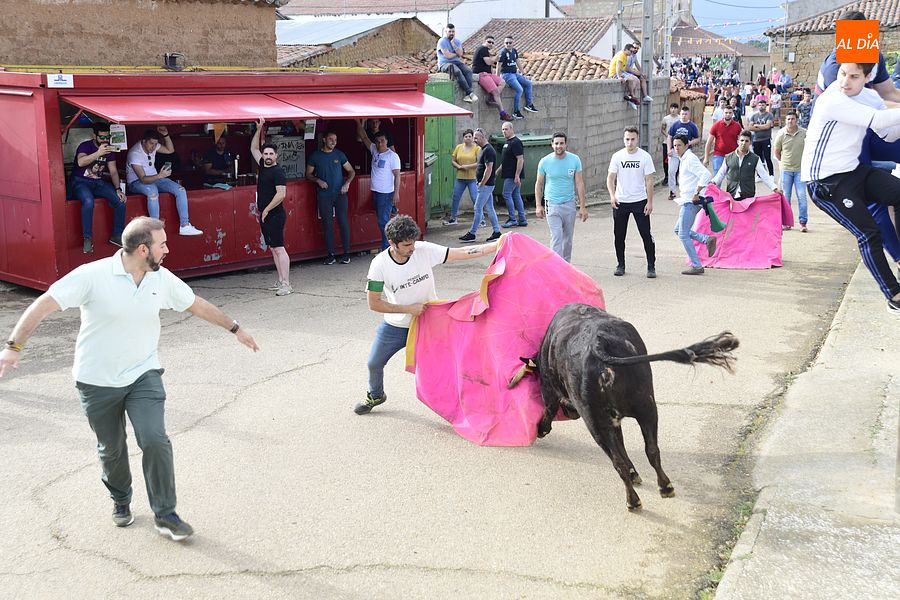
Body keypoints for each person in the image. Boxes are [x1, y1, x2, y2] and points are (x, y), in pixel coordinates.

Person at [0, 217, 259, 540]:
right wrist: (13, 347)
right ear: (142, 250)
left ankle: (165, 513)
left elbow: (196, 305)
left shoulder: (160, 279)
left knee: (154, 438)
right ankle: (121, 498)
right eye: (162, 244)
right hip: (96, 380)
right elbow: (43, 304)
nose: (167, 249)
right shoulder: (93, 276)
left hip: (143, 374)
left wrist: (235, 328)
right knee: (111, 450)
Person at [355, 214, 499, 415]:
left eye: (413, 242)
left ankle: (466, 403)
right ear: (392, 243)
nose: (412, 248)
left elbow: (461, 252)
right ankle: (376, 394)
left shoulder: (423, 250)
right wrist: (408, 309)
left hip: (429, 321)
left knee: (450, 364)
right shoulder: (379, 265)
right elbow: (374, 303)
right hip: (397, 325)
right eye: (407, 245)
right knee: (374, 363)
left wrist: (496, 245)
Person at [801, 61, 900, 314]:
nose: (845, 81)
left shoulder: (869, 97)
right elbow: (877, 119)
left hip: (853, 171)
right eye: (843, 73)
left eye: (854, 76)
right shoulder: (832, 98)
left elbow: (887, 133)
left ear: (868, 77)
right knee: (869, 233)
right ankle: (894, 296)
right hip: (825, 183)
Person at [126, 127, 202, 236]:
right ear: (144, 141)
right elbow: (143, 179)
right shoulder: (135, 154)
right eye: (151, 144)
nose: (153, 147)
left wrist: (166, 135)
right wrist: (160, 175)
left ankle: (185, 225)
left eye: (155, 144)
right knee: (153, 191)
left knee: (180, 189)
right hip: (136, 182)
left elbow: (170, 150)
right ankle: (155, 229)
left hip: (155, 178)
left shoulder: (153, 146)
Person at [607, 126, 656, 278]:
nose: (630, 142)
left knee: (646, 235)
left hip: (639, 201)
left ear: (637, 139)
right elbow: (610, 178)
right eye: (627, 139)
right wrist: (612, 196)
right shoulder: (617, 156)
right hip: (621, 202)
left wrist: (649, 202)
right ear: (623, 139)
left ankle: (651, 266)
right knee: (619, 236)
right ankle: (620, 264)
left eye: (632, 139)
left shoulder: (645, 157)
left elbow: (649, 180)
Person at [70, 123, 127, 253]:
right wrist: (98, 153)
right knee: (88, 201)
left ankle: (117, 235)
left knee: (120, 201)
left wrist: (118, 189)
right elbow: (81, 162)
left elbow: (113, 171)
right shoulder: (85, 146)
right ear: (94, 136)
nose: (105, 140)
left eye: (107, 137)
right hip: (80, 182)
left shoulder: (109, 149)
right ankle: (87, 239)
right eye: (102, 137)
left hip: (98, 183)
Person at [251, 118, 292, 296]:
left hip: (274, 215)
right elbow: (253, 149)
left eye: (270, 154)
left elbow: (281, 194)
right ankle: (281, 280)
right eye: (265, 154)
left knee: (279, 248)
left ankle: (287, 284)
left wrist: (266, 209)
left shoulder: (278, 172)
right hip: (266, 215)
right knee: (273, 248)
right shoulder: (263, 165)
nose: (267, 156)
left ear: (276, 156)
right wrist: (259, 128)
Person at [534, 132, 587, 263]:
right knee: (556, 237)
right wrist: (538, 205)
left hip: (569, 204)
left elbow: (579, 183)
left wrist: (582, 207)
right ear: (552, 144)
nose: (559, 146)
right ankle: (556, 267)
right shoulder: (545, 161)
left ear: (566, 144)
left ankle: (566, 265)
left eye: (561, 143)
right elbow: (539, 184)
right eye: (556, 143)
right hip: (552, 204)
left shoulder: (575, 160)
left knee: (567, 239)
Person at [306, 131, 355, 265]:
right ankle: (330, 255)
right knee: (327, 224)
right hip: (324, 195)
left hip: (340, 194)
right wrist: (318, 180)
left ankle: (346, 254)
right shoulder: (315, 156)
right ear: (324, 140)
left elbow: (351, 171)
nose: (333, 142)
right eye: (331, 139)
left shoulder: (339, 154)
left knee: (343, 222)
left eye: (335, 140)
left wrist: (347, 183)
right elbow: (308, 174)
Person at [671, 134, 716, 275]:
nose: (676, 148)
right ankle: (706, 239)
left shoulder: (690, 159)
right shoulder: (684, 158)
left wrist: (697, 191)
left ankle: (697, 265)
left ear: (686, 145)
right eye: (674, 145)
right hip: (687, 199)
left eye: (679, 145)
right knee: (678, 230)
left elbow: (706, 174)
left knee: (683, 233)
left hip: (691, 201)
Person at [355, 119, 401, 250]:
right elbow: (363, 136)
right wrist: (358, 121)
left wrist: (396, 193)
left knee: (383, 221)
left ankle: (387, 248)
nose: (380, 143)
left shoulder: (393, 156)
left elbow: (397, 175)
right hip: (376, 191)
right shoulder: (374, 150)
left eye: (382, 141)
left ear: (387, 141)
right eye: (378, 141)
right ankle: (391, 243)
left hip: (386, 193)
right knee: (383, 219)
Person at [459, 129, 502, 243]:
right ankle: (497, 232)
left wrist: (482, 182)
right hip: (486, 184)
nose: (474, 140)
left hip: (486, 185)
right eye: (474, 138)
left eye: (476, 138)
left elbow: (489, 168)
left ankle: (472, 233)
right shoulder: (484, 149)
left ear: (483, 137)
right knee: (490, 208)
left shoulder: (488, 150)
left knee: (478, 208)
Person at [712, 129, 779, 200]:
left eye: (747, 141)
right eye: (742, 140)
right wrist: (713, 181)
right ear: (738, 141)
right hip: (732, 194)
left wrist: (774, 188)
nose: (744, 143)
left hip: (748, 195)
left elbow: (764, 175)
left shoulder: (755, 158)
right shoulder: (728, 157)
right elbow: (721, 173)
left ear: (750, 143)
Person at [773, 111, 807, 231]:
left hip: (800, 170)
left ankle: (803, 222)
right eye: (788, 119)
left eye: (792, 119)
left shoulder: (804, 133)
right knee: (786, 197)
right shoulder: (781, 133)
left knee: (801, 196)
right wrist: (783, 162)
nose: (790, 121)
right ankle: (786, 222)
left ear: (796, 120)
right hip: (786, 169)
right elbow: (777, 152)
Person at [471, 35, 513, 121]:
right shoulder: (482, 49)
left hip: (488, 74)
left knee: (502, 82)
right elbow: (488, 62)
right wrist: (495, 59)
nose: (491, 44)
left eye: (492, 43)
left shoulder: (486, 51)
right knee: (496, 92)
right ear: (484, 41)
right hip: (481, 74)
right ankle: (502, 113)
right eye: (489, 42)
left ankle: (492, 97)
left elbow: (489, 66)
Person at [443, 129, 480, 226]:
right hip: (460, 178)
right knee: (456, 198)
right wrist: (459, 167)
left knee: (475, 198)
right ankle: (453, 218)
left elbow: (479, 163)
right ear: (463, 138)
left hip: (472, 178)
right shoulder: (459, 147)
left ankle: (481, 219)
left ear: (473, 138)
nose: (468, 138)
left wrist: (467, 167)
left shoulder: (477, 148)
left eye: (470, 136)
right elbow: (453, 160)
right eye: (466, 136)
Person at [498, 36, 537, 119]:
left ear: (513, 43)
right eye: (506, 43)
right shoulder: (503, 52)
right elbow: (499, 65)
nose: (508, 44)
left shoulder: (514, 51)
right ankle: (516, 112)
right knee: (519, 89)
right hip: (506, 74)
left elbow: (518, 62)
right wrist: (497, 78)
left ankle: (529, 105)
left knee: (529, 83)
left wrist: (523, 73)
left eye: (510, 43)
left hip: (514, 73)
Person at [436, 24, 477, 103]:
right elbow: (448, 56)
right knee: (457, 71)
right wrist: (456, 54)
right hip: (445, 64)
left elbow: (460, 54)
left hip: (457, 62)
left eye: (453, 31)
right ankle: (469, 93)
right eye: (449, 31)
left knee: (468, 71)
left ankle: (467, 95)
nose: (451, 33)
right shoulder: (442, 41)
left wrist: (453, 44)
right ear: (446, 32)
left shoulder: (457, 41)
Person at [667, 106, 701, 200]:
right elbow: (669, 137)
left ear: (689, 115)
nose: (684, 116)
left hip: (686, 152)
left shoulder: (692, 126)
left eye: (686, 114)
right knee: (671, 171)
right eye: (682, 114)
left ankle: (686, 191)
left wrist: (690, 142)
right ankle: (672, 191)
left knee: (684, 172)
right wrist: (669, 149)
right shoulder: (675, 124)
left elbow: (697, 139)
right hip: (675, 151)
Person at [498, 121, 527, 228]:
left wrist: (517, 175)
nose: (504, 131)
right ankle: (522, 219)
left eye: (506, 129)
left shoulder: (515, 142)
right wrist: (497, 171)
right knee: (515, 195)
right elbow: (506, 160)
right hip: (509, 174)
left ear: (511, 129)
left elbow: (520, 159)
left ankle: (512, 219)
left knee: (506, 194)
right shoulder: (507, 143)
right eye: (503, 129)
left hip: (512, 175)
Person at [704, 106, 743, 173]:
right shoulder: (716, 125)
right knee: (717, 177)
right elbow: (709, 142)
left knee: (732, 177)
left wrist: (742, 155)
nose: (728, 114)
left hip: (733, 155)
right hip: (719, 155)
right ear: (723, 113)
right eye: (726, 112)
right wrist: (706, 157)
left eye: (730, 113)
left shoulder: (737, 126)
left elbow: (741, 142)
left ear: (732, 113)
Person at [610, 44, 641, 110]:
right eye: (631, 51)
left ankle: (631, 97)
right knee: (632, 79)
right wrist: (619, 77)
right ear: (626, 50)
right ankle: (632, 96)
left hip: (622, 72)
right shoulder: (621, 55)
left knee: (636, 80)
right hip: (615, 73)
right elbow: (618, 66)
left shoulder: (626, 56)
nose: (631, 53)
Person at [749, 99, 775, 176]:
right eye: (760, 105)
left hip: (766, 139)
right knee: (758, 159)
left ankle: (771, 175)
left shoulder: (769, 115)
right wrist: (762, 127)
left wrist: (757, 125)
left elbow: (767, 126)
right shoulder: (754, 116)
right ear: (757, 106)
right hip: (756, 140)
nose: (761, 106)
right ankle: (759, 175)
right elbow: (750, 127)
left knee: (767, 158)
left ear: (765, 106)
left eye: (763, 105)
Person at [661, 103, 679, 181]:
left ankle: (675, 177)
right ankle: (666, 176)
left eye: (675, 108)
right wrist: (668, 136)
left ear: (677, 109)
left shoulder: (680, 119)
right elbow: (662, 129)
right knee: (666, 160)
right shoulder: (666, 118)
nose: (673, 110)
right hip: (666, 142)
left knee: (677, 160)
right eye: (672, 108)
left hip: (677, 144)